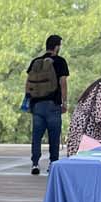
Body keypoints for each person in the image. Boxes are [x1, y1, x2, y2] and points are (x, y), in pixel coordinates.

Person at [26, 33, 69, 174]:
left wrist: (28, 101)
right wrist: (64, 102)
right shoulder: (60, 61)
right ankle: (53, 163)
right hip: (53, 104)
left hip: (37, 104)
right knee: (54, 136)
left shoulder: (36, 61)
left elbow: (28, 83)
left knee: (36, 136)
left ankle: (35, 164)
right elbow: (63, 83)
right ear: (56, 47)